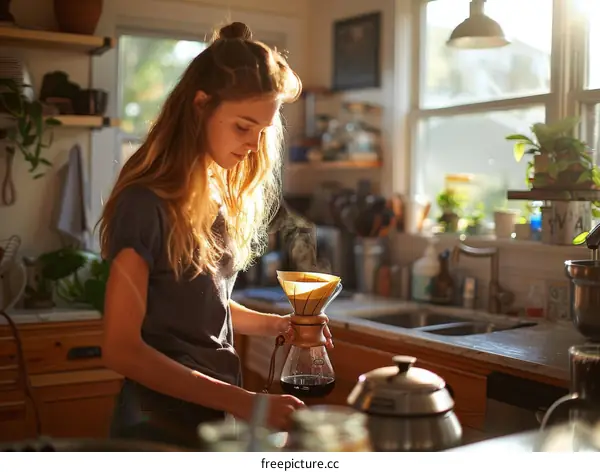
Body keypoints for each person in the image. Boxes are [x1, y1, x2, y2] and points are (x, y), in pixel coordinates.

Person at [96, 21, 333, 449]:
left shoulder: (214, 197)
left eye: (262, 132)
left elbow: (202, 305)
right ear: (200, 106)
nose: (253, 146)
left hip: (210, 421)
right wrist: (248, 403)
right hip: (157, 425)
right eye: (243, 127)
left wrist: (278, 325)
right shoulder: (144, 203)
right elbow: (120, 349)